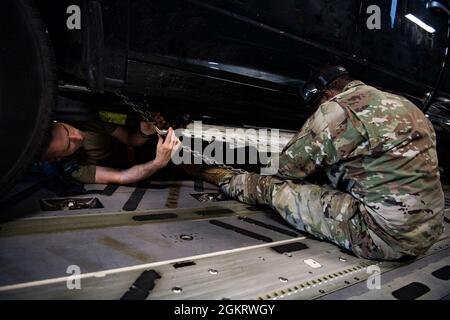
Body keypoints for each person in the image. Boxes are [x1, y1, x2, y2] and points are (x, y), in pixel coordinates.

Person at [185, 66, 445, 261]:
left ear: (326, 95)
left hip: (384, 236)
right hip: (428, 230)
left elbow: (285, 168)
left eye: (314, 106)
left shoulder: (338, 108)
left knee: (275, 188)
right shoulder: (406, 105)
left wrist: (249, 165)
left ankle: (222, 177)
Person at [41, 117, 181, 185]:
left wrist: (144, 133)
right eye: (69, 145)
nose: (77, 136)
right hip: (141, 166)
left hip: (141, 145)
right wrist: (158, 163)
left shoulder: (80, 119)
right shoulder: (75, 169)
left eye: (67, 130)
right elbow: (122, 176)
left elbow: (129, 139)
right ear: (58, 158)